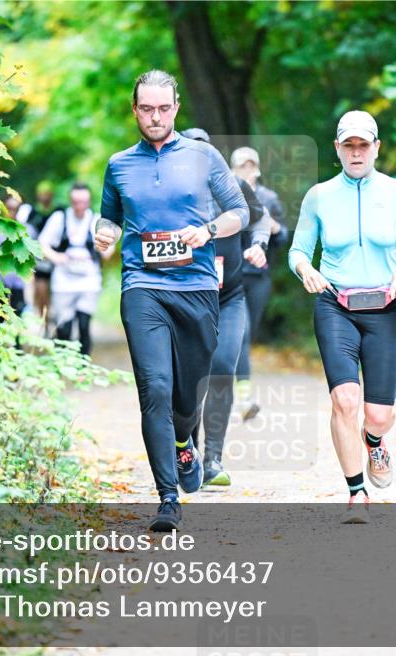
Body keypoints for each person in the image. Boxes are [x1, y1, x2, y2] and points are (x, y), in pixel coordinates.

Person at [94, 70, 249, 531]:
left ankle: (185, 440)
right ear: (134, 109)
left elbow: (239, 212)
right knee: (155, 389)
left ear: (176, 107)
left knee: (188, 396)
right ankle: (166, 498)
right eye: (147, 109)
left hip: (197, 288)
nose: (155, 117)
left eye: (163, 108)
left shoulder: (203, 156)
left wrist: (206, 230)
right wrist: (105, 235)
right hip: (142, 286)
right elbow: (109, 220)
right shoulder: (119, 164)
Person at [288, 110, 396, 524]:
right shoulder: (318, 196)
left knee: (378, 414)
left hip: (386, 307)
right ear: (337, 148)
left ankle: (375, 441)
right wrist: (306, 270)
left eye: (363, 145)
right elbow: (297, 251)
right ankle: (356, 492)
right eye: (348, 145)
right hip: (336, 305)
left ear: (376, 148)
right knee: (343, 399)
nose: (356, 152)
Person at [179, 129, 269, 488]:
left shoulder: (233, 187)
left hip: (230, 296)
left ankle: (213, 457)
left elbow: (258, 216)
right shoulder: (170, 193)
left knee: (221, 367)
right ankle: (188, 453)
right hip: (185, 296)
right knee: (187, 378)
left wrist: (258, 243)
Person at [231, 146, 289, 421]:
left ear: (258, 169)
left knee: (247, 333)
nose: (247, 170)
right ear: (232, 170)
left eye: (250, 166)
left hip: (260, 278)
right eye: (241, 166)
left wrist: (271, 226)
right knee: (240, 332)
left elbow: (283, 237)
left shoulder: (269, 198)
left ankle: (233, 377)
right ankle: (244, 398)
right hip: (231, 276)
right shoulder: (226, 197)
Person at [37, 182, 114, 355]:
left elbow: (109, 252)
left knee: (84, 324)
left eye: (83, 202)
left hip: (89, 280)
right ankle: (65, 363)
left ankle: (83, 364)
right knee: (64, 326)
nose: (80, 206)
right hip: (64, 280)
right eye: (76, 202)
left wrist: (102, 247)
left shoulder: (96, 221)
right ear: (71, 201)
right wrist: (56, 257)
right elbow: (42, 243)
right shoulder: (60, 218)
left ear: (88, 201)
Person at [27, 180, 59, 321]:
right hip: (39, 257)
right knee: (41, 290)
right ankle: (43, 319)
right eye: (42, 194)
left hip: (56, 256)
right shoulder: (33, 213)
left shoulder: (58, 212)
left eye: (47, 194)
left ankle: (53, 317)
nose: (45, 197)